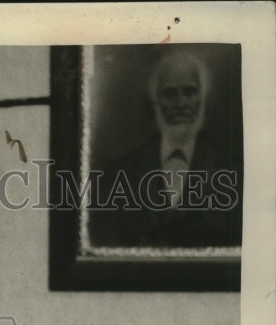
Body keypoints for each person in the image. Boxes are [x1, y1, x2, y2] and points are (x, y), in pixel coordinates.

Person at [94, 48, 243, 248]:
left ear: (202, 98)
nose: (180, 103)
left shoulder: (235, 173)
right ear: (155, 101)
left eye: (189, 92)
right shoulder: (119, 174)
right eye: (169, 94)